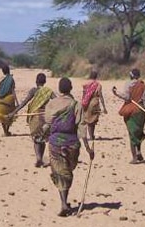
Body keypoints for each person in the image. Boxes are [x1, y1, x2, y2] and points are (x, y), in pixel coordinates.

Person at [43, 77, 94, 217]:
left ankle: (64, 203)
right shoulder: (76, 105)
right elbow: (82, 128)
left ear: (59, 89)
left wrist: (44, 135)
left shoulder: (51, 104)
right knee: (67, 171)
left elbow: (47, 122)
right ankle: (64, 204)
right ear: (70, 88)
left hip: (55, 142)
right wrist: (88, 148)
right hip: (72, 143)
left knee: (60, 173)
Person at [9, 73, 56, 167]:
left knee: (36, 139)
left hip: (35, 118)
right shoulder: (49, 91)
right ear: (45, 81)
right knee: (42, 139)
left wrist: (13, 112)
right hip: (45, 117)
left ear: (36, 81)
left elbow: (24, 103)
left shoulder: (33, 91)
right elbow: (57, 101)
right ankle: (40, 159)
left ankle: (39, 158)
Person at [112, 68, 145, 164]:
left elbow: (127, 97)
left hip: (131, 111)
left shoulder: (128, 84)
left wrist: (116, 93)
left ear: (131, 75)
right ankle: (139, 152)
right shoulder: (143, 86)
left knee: (132, 134)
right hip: (141, 112)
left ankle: (134, 157)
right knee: (138, 133)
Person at [81, 69, 107, 141]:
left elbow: (83, 95)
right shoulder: (98, 85)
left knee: (88, 120)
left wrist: (83, 103)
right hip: (94, 103)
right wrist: (104, 107)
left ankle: (90, 136)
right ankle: (91, 136)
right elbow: (100, 96)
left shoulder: (86, 85)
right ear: (96, 76)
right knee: (93, 121)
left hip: (86, 103)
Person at [0, 64, 18, 136]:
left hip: (0, 100)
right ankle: (7, 131)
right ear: (9, 70)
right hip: (9, 100)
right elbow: (13, 91)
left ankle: (5, 131)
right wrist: (17, 102)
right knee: (10, 115)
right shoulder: (11, 79)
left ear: (2, 71)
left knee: (1, 115)